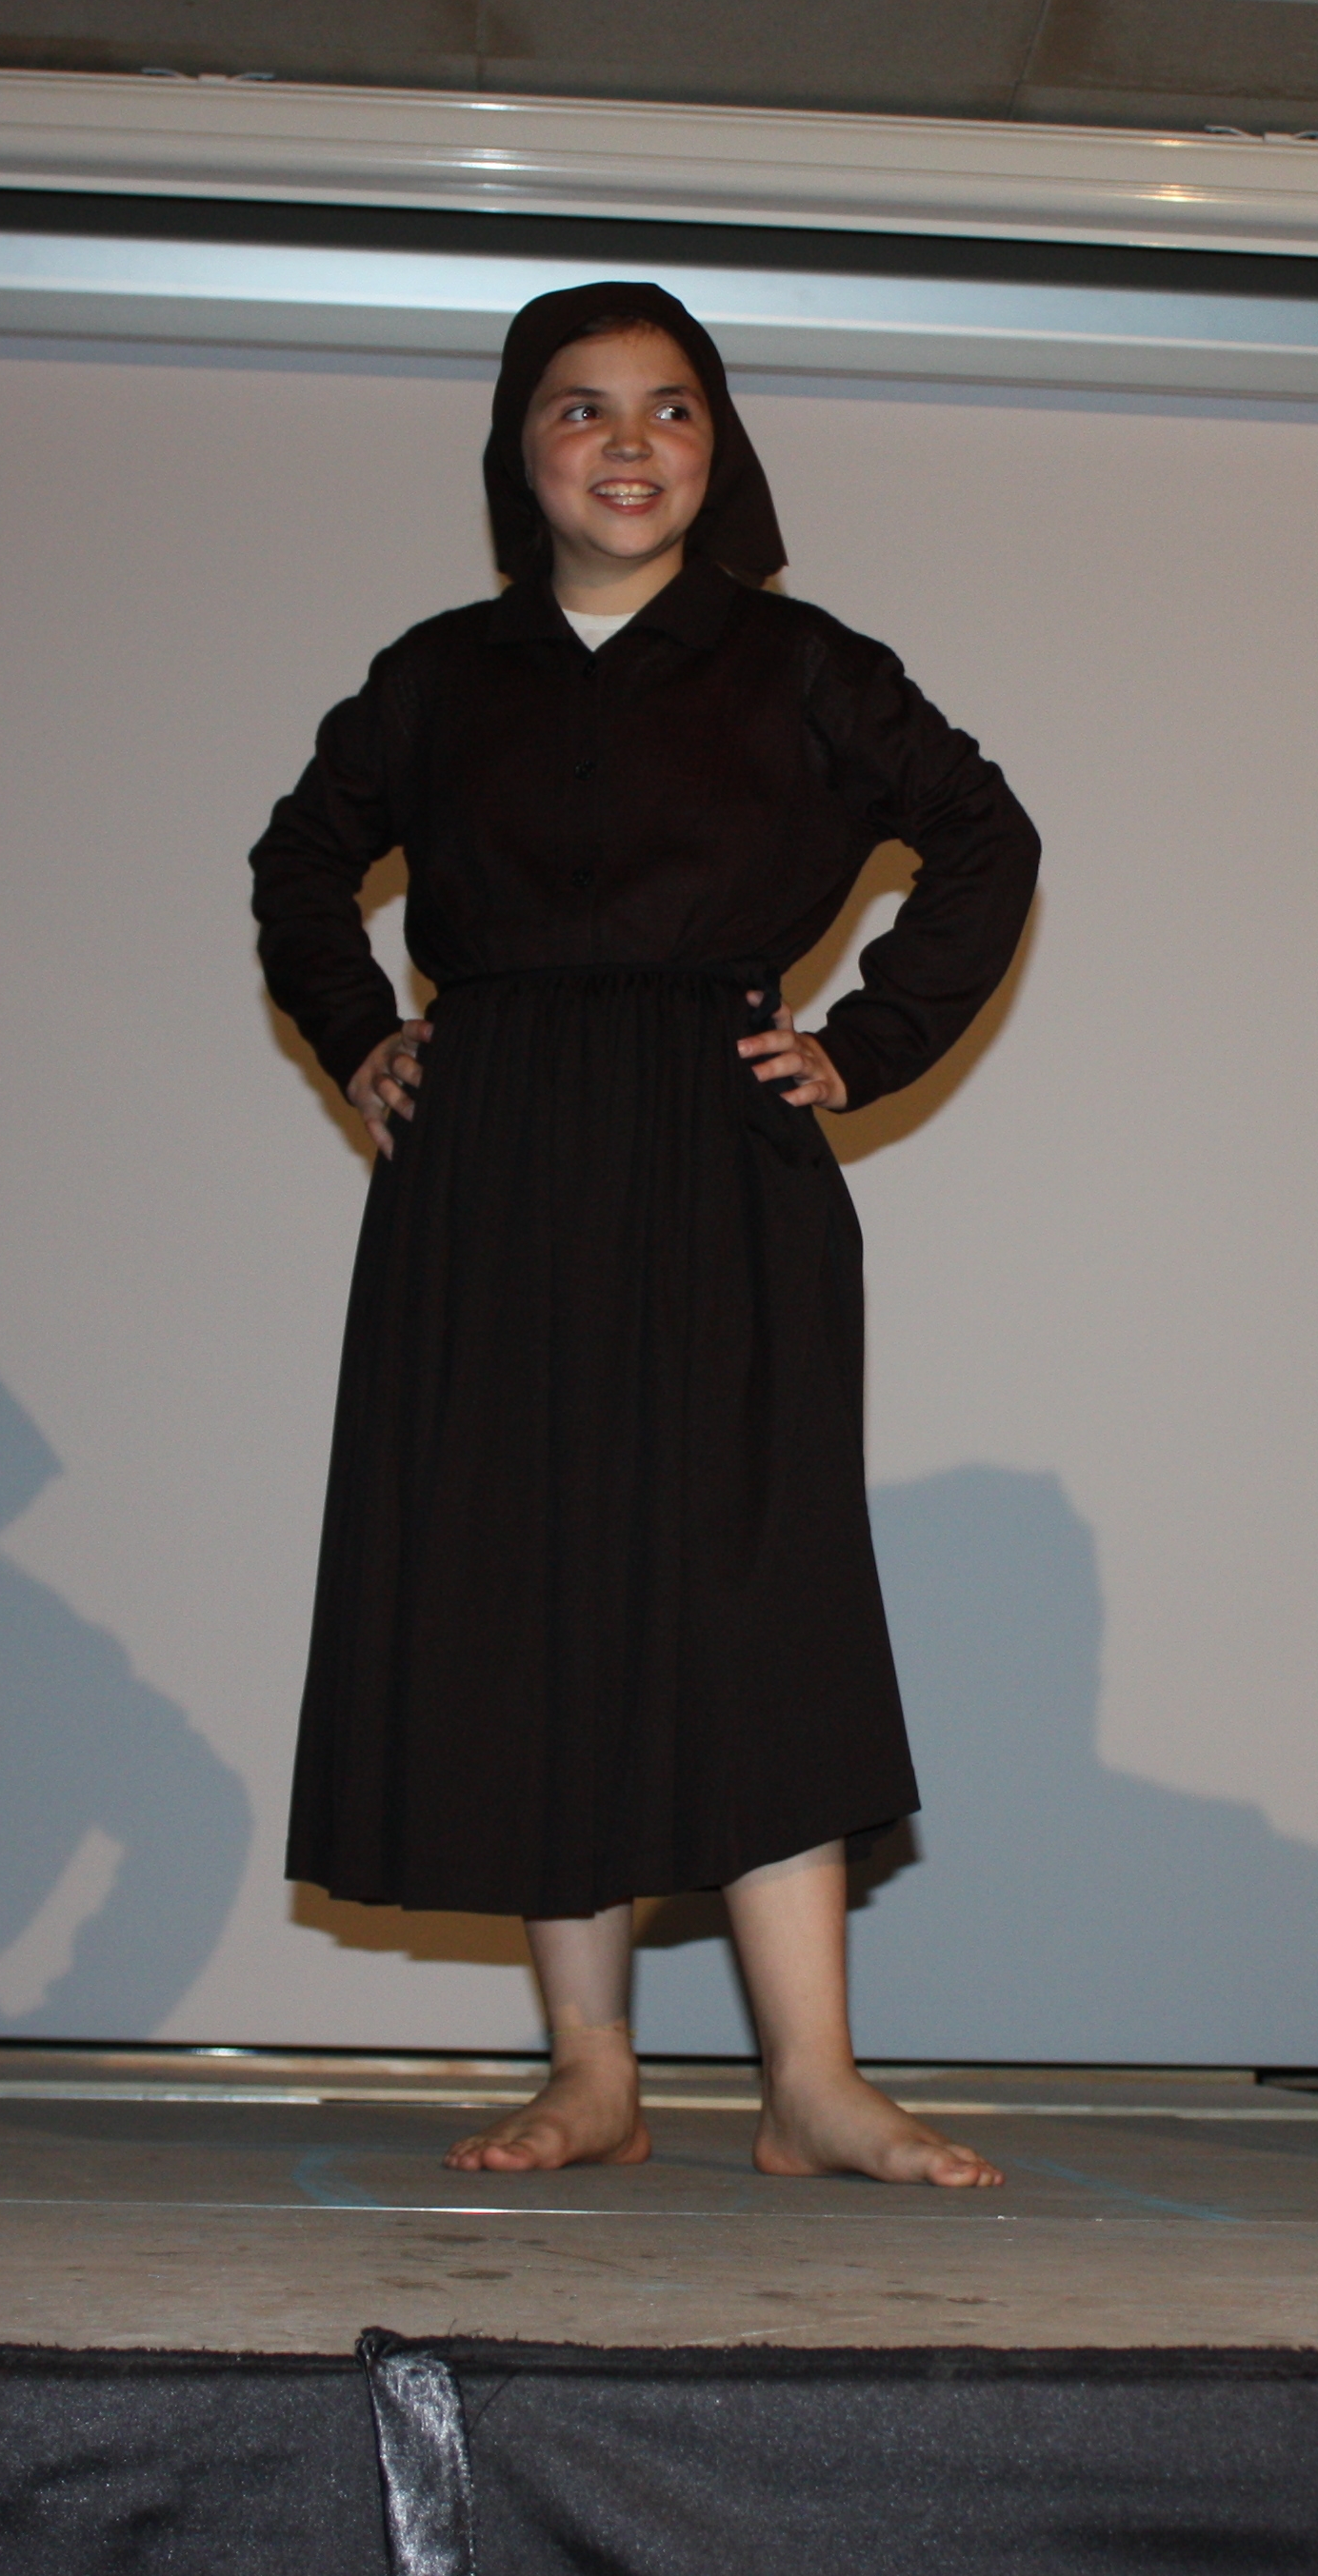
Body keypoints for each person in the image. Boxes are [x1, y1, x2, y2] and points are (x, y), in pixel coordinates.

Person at [252, 283, 1039, 2186]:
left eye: (669, 408)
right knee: (536, 1592)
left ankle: (812, 2080)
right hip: (490, 1165)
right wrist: (362, 1039)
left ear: (718, 444)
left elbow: (985, 837)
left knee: (755, 1594)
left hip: (714, 1148)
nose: (627, 444)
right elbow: (297, 867)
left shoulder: (803, 662)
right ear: (519, 449)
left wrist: (858, 1046)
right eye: (581, 408)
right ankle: (590, 2073)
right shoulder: (441, 674)